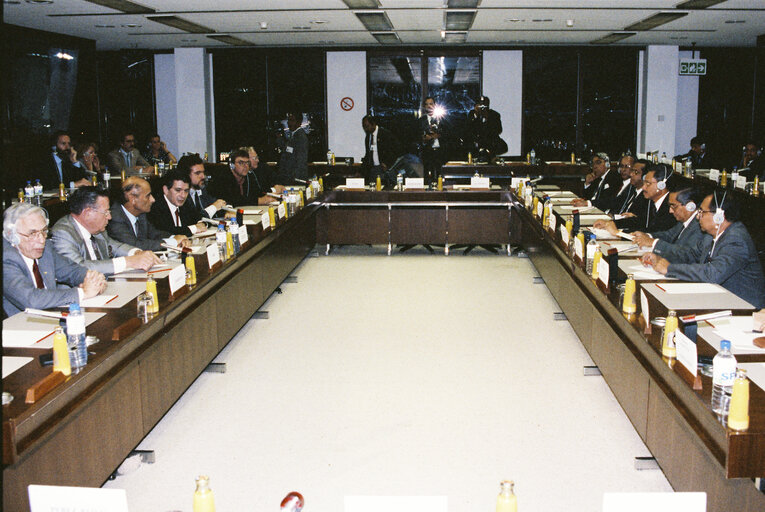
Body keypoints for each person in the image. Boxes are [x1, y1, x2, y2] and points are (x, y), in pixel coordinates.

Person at [643, 191, 765, 308]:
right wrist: (659, 257)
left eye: (702, 212)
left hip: (745, 308)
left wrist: (669, 268)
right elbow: (689, 254)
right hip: (720, 298)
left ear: (719, 216)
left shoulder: (736, 239)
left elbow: (712, 273)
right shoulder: (710, 236)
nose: (697, 216)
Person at [3, 202, 107, 317]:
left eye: (44, 231)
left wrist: (93, 279)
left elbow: (71, 271)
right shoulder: (6, 258)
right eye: (32, 234)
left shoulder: (46, 248)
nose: (41, 240)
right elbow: (31, 300)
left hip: (50, 319)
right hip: (20, 326)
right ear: (12, 236)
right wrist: (82, 293)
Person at [50, 187, 160, 276]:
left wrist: (137, 253)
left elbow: (114, 246)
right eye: (106, 212)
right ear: (88, 213)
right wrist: (128, 261)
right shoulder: (62, 234)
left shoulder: (97, 228)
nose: (110, 217)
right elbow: (78, 268)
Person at [107, 176, 190, 251]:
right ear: (132, 198)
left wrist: (175, 237)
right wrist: (173, 242)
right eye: (148, 196)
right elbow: (134, 245)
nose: (153, 199)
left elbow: (155, 234)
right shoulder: (114, 218)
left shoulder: (141, 214)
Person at [633, 187, 710, 264]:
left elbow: (686, 254)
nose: (670, 210)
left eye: (674, 206)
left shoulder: (700, 227)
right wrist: (646, 236)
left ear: (690, 206)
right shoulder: (683, 221)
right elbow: (668, 235)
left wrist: (654, 243)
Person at [147, 170, 207, 236]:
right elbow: (166, 232)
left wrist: (201, 223)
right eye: (178, 190)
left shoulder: (185, 203)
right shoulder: (155, 207)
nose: (183, 195)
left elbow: (198, 217)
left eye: (186, 191)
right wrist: (194, 228)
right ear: (166, 190)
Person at [208, 149, 275, 206]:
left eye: (247, 163)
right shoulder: (223, 178)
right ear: (232, 165)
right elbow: (234, 200)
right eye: (241, 163)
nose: (245, 166)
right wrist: (258, 201)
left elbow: (258, 192)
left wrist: (270, 194)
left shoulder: (249, 176)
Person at [178, 154, 226, 218]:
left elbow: (220, 203)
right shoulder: (181, 195)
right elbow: (193, 220)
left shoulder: (203, 190)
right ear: (186, 175)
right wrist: (213, 207)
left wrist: (228, 210)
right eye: (197, 173)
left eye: (203, 172)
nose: (203, 176)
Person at [361, 114, 402, 182]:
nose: (365, 129)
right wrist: (361, 171)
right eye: (364, 127)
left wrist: (387, 163)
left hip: (383, 169)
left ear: (373, 124)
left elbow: (396, 150)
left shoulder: (385, 134)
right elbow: (368, 154)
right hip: (372, 170)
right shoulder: (368, 137)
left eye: (367, 126)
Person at [465, 95, 505, 161]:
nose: (482, 107)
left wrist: (488, 118)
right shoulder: (472, 114)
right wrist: (476, 116)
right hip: (477, 142)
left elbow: (498, 130)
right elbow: (468, 129)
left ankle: (490, 156)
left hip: (490, 142)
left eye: (484, 105)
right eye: (480, 105)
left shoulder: (494, 115)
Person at [419, 96, 448, 181]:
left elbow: (448, 134)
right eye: (427, 104)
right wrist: (424, 139)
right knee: (427, 176)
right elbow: (418, 136)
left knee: (441, 175)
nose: (429, 106)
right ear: (424, 107)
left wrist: (439, 135)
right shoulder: (421, 120)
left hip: (441, 151)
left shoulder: (443, 119)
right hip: (427, 151)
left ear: (435, 105)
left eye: (431, 104)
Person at [276, 111, 309, 184]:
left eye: (292, 121)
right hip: (288, 177)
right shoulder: (293, 136)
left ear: (299, 122)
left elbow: (301, 161)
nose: (289, 123)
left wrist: (294, 180)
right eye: (288, 120)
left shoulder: (301, 138)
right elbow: (288, 151)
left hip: (294, 179)